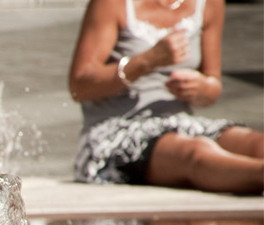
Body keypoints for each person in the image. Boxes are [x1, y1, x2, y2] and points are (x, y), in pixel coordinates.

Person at [68, 0, 262, 194]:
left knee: (256, 143)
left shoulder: (210, 4)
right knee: (195, 151)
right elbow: (80, 87)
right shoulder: (112, 4)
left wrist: (200, 88)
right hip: (113, 133)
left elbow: (212, 88)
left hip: (180, 123)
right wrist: (146, 61)